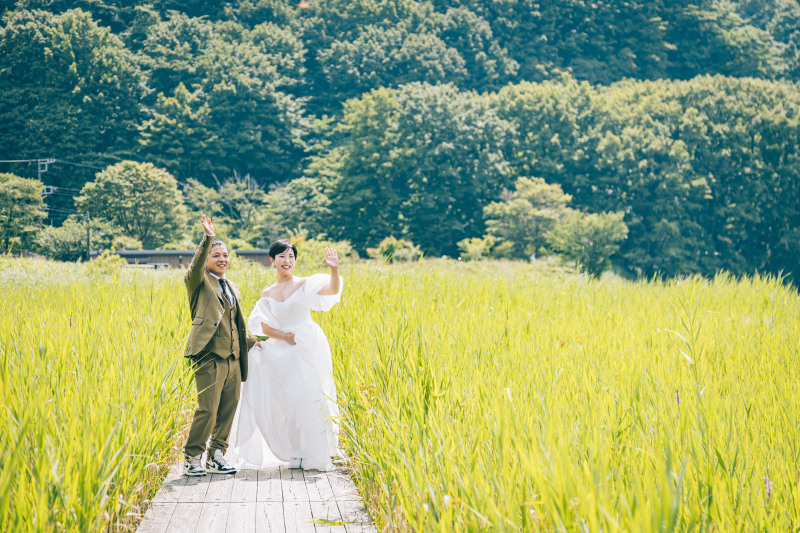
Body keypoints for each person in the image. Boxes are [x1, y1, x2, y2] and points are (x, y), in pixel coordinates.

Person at [233, 239, 343, 471]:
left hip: (307, 346)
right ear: (272, 261)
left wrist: (333, 269)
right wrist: (284, 338)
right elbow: (262, 326)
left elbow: (332, 290)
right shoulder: (268, 292)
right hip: (282, 349)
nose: (287, 261)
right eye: (282, 256)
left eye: (291, 256)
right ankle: (295, 451)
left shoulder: (305, 284)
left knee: (310, 395)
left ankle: (315, 451)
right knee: (286, 400)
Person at [182, 214, 256, 476]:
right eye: (217, 255)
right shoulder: (198, 281)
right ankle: (192, 457)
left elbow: (235, 322)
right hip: (210, 355)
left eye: (225, 255)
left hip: (234, 357)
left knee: (228, 407)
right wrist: (208, 238)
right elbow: (197, 264)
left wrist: (254, 343)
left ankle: (217, 455)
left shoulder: (231, 285)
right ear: (207, 260)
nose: (222, 259)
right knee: (208, 409)